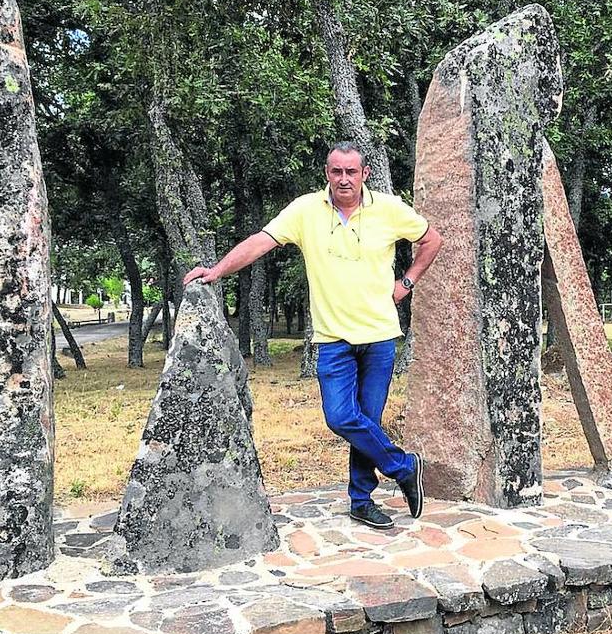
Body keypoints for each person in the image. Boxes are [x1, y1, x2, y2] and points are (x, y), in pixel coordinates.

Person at [183, 141, 443, 529]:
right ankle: (404, 467)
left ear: (365, 174)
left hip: (379, 336)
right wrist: (217, 271)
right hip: (333, 339)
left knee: (368, 421)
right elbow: (260, 242)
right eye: (336, 171)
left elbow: (431, 239)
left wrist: (406, 283)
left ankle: (361, 500)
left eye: (351, 171)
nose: (344, 179)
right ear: (327, 173)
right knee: (341, 417)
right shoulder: (306, 210)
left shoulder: (389, 209)